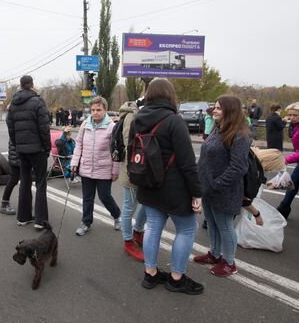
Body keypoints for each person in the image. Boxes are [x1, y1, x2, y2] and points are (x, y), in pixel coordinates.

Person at [130, 78, 204, 295]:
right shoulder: (174, 120)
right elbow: (187, 162)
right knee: (187, 228)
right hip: (174, 188)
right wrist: (196, 193)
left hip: (147, 183)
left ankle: (150, 273)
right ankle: (176, 278)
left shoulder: (137, 119)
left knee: (153, 226)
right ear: (170, 95)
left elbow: (131, 151)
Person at [195, 95, 250, 277]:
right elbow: (205, 158)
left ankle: (229, 262)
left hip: (225, 190)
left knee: (225, 225)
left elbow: (239, 167)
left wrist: (217, 184)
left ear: (230, 111)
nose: (215, 110)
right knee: (211, 222)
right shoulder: (217, 129)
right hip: (209, 189)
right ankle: (215, 254)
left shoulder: (239, 134)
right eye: (215, 107)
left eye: (219, 108)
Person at [71, 96, 121, 236]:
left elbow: (116, 150)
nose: (95, 112)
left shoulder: (112, 127)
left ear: (105, 110)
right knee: (87, 197)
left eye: (99, 109)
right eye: (93, 110)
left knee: (105, 196)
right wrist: (75, 162)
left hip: (104, 169)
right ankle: (86, 222)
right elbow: (79, 144)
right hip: (86, 167)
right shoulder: (85, 124)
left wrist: (115, 170)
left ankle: (117, 215)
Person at [6, 75, 51, 229]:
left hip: (22, 150)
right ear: (32, 85)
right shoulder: (38, 102)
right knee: (40, 183)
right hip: (37, 149)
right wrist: (47, 147)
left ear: (20, 85)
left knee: (24, 182)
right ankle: (40, 221)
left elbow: (10, 127)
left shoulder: (13, 104)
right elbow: (45, 128)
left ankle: (23, 217)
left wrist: (17, 144)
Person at [117, 100, 146, 261]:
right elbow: (130, 146)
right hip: (133, 170)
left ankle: (138, 231)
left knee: (148, 205)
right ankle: (128, 240)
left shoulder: (141, 113)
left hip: (143, 169)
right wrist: (132, 172)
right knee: (129, 207)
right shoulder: (131, 116)